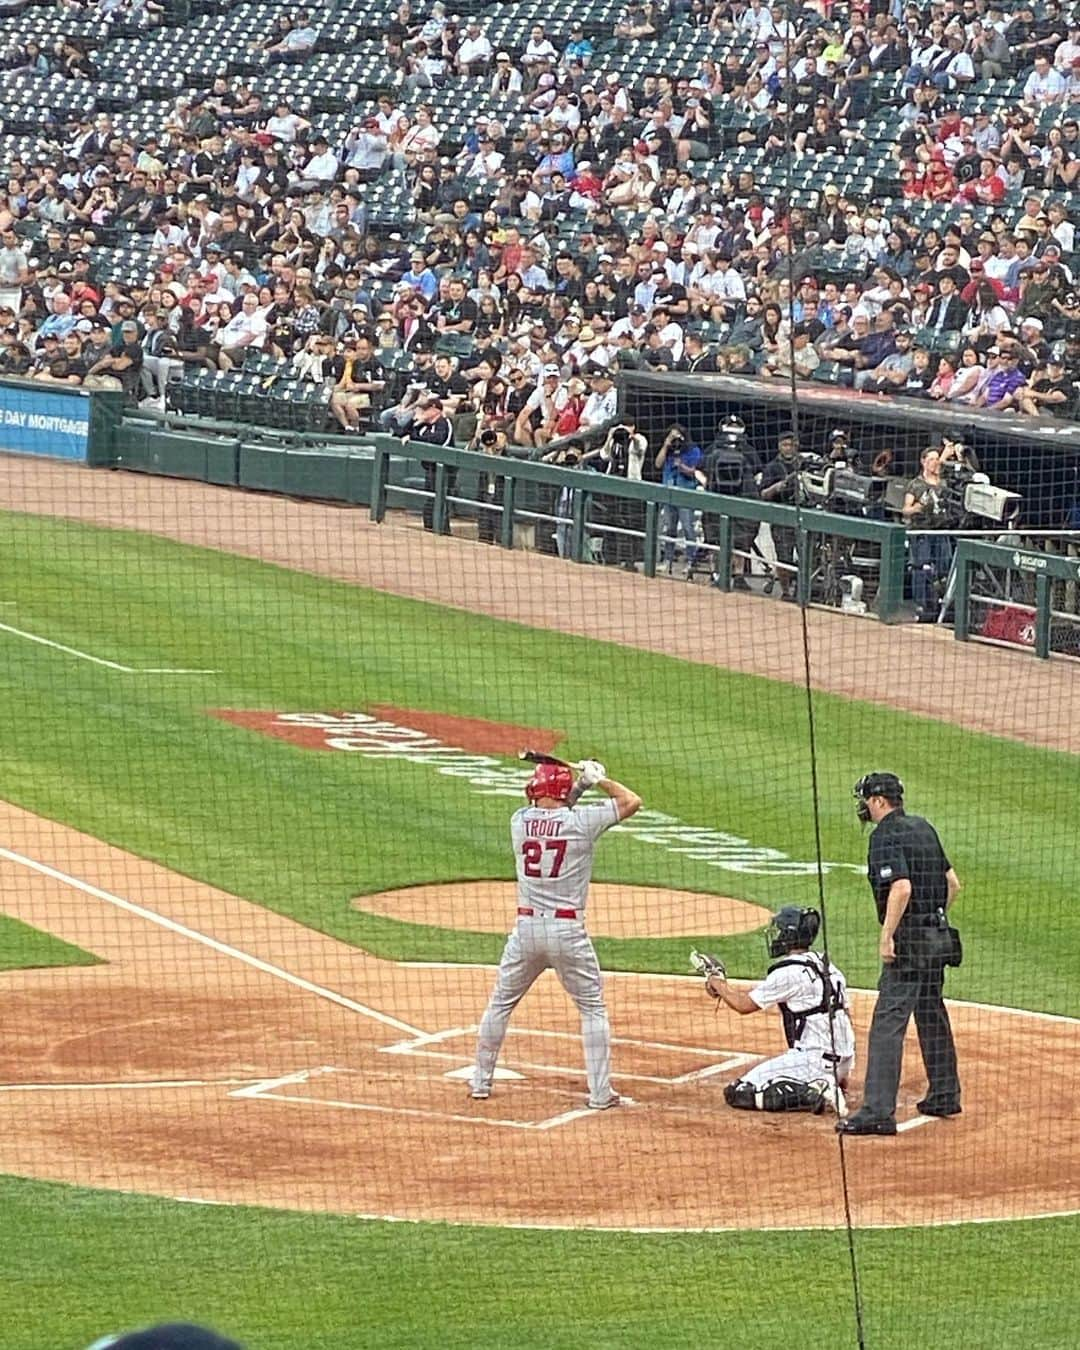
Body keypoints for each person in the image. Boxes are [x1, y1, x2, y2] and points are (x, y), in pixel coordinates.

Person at [469, 758, 642, 1108]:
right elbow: (631, 802)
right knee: (592, 1009)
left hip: (526, 931)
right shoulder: (581, 823)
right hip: (567, 933)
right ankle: (599, 1094)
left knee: (501, 1004)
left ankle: (480, 1083)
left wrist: (578, 786)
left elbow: (553, 816)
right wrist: (599, 780)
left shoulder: (519, 821)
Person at [837, 773, 962, 1137]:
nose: (863, 807)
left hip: (909, 942)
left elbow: (901, 886)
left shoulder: (884, 836)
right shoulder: (924, 827)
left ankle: (877, 1110)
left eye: (866, 800)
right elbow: (952, 884)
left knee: (888, 1021)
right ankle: (945, 1093)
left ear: (878, 801)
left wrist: (888, 935)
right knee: (931, 1012)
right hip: (937, 937)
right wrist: (933, 919)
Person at [699, 905, 854, 1117]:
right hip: (844, 1058)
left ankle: (814, 1089)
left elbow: (744, 1005)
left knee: (738, 1092)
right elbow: (846, 1015)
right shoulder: (828, 965)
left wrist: (717, 982)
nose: (776, 935)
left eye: (780, 930)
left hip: (814, 1060)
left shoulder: (788, 972)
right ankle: (824, 1081)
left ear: (789, 934)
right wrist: (843, 1072)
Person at [902, 446, 952, 621]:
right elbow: (906, 509)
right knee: (921, 567)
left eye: (936, 459)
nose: (934, 462)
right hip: (922, 531)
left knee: (944, 568)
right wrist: (916, 508)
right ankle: (921, 606)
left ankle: (941, 606)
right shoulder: (915, 484)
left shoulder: (944, 482)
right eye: (931, 459)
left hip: (941, 530)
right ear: (923, 461)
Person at [408, 396, 454, 530]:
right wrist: (414, 423)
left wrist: (417, 437)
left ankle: (443, 531)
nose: (422, 413)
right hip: (430, 468)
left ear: (434, 409)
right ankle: (429, 528)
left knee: (441, 500)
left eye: (425, 410)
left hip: (444, 469)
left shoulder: (444, 423)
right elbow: (404, 433)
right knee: (430, 498)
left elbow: (439, 440)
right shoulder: (424, 425)